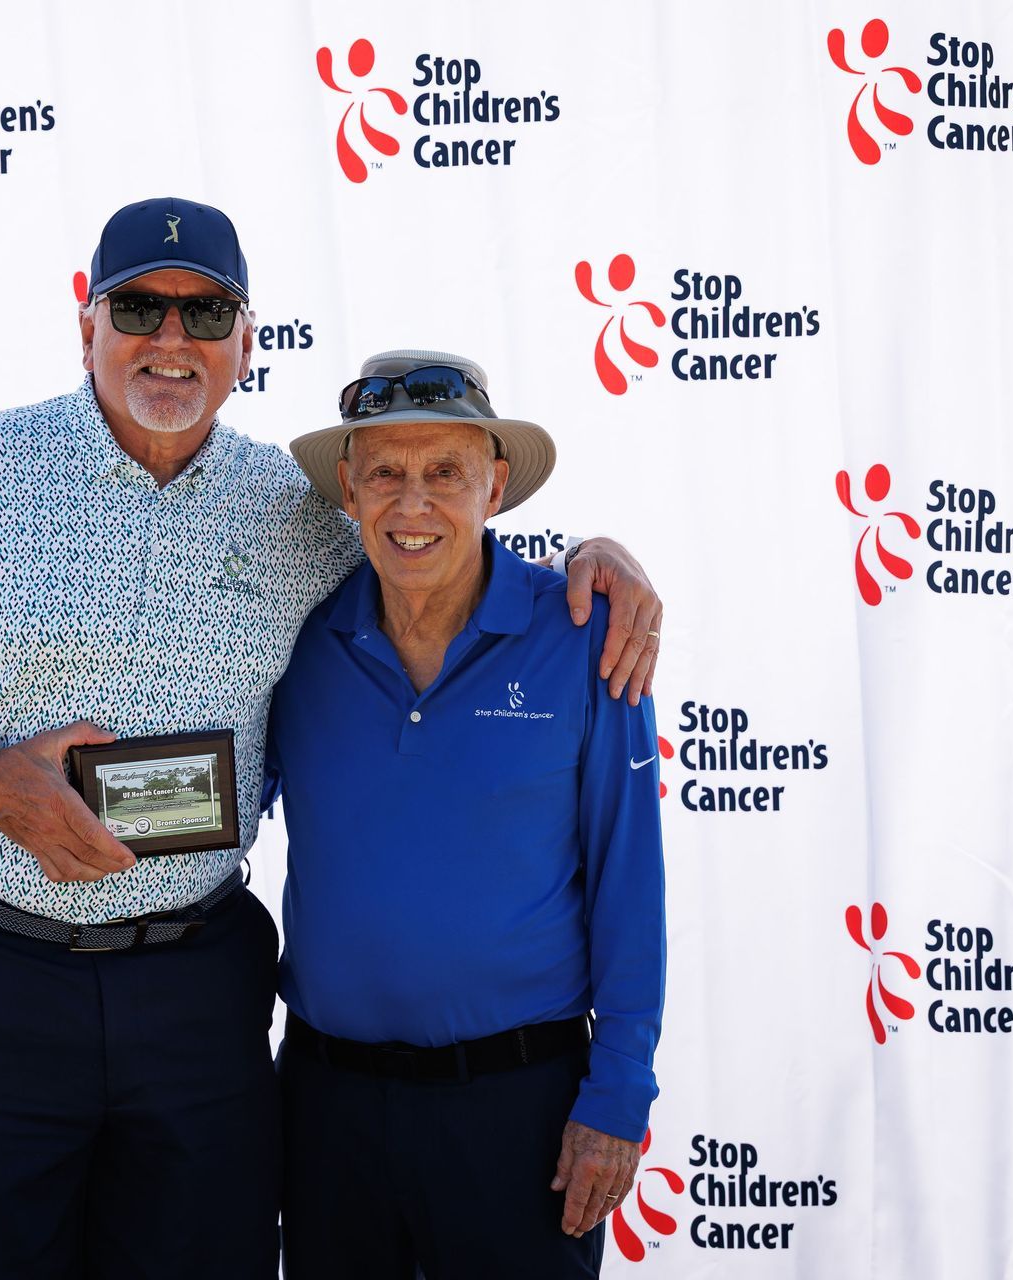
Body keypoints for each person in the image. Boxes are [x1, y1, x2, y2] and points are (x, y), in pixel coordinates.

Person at [0, 198, 665, 1278]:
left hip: (192, 995)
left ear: (246, 341)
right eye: (138, 307)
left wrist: (597, 558)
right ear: (87, 326)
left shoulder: (295, 511)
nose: (171, 338)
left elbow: (436, 539)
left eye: (205, 314)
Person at [267, 350, 666, 1279]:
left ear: (495, 485)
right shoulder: (299, 641)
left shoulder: (585, 635)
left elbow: (629, 880)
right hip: (326, 1110)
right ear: (348, 489)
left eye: (446, 472)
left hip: (521, 1110)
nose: (414, 505)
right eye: (386, 473)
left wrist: (620, 1093)